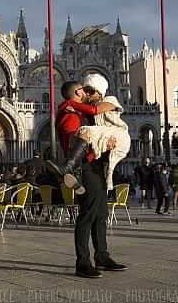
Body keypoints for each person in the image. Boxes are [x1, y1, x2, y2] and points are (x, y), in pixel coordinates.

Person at [52, 78, 127, 278]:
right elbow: (72, 148)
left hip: (97, 168)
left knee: (101, 213)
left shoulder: (82, 113)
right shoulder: (70, 116)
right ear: (77, 93)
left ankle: (102, 255)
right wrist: (97, 152)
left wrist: (106, 147)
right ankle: (82, 262)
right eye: (84, 89)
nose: (87, 92)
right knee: (88, 215)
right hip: (86, 170)